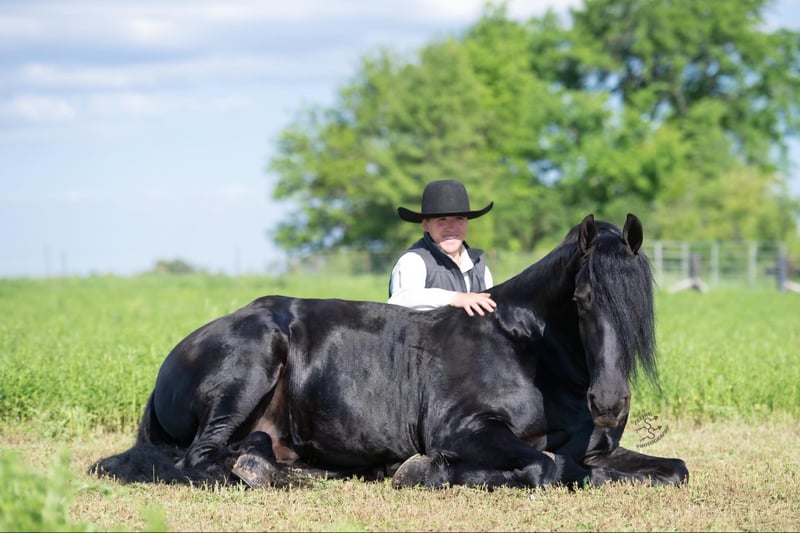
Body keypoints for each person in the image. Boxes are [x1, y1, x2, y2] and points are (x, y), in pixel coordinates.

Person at [388, 179, 496, 316]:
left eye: (459, 219)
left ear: (467, 223)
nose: (451, 227)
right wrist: (456, 298)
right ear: (426, 225)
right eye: (442, 220)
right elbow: (401, 299)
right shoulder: (413, 260)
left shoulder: (479, 265)